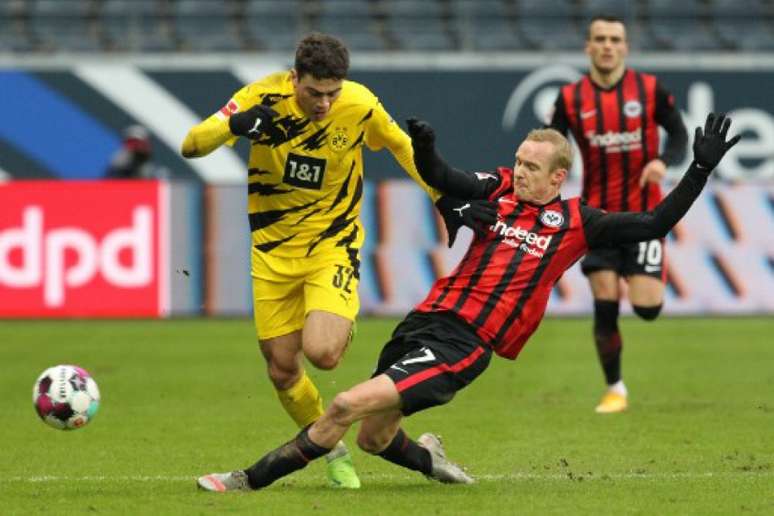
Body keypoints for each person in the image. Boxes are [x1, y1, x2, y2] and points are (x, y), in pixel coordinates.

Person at [195, 112, 739, 491]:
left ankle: (248, 480)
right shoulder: (498, 187)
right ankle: (429, 458)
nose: (519, 170)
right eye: (518, 161)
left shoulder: (578, 222)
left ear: (558, 176)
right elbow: (444, 178)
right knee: (374, 438)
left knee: (343, 406)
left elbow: (655, 222)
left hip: (465, 343)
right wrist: (427, 147)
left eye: (531, 166)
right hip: (422, 323)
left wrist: (699, 169)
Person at [180, 33, 493, 489]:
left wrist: (443, 198)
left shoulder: (360, 104)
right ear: (294, 79)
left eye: (332, 93)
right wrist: (235, 125)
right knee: (281, 368)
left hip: (333, 243)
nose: (325, 103)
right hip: (271, 253)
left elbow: (405, 148)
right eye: (314, 92)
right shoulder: (260, 98)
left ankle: (341, 316)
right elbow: (191, 145)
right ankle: (334, 452)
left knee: (323, 354)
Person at [548, 15, 689, 413]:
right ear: (588, 47)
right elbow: (551, 145)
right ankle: (615, 389)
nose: (608, 46)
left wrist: (663, 161)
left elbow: (678, 134)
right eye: (600, 39)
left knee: (647, 308)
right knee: (604, 300)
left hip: (647, 217)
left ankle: (644, 285)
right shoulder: (571, 99)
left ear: (625, 47)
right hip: (597, 218)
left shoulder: (649, 90)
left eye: (615, 39)